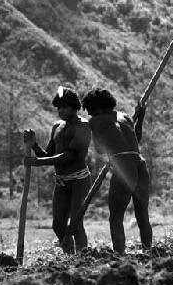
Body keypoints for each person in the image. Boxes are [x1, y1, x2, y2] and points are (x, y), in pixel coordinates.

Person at [81, 88, 152, 254]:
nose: (89, 114)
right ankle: (148, 253)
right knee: (142, 216)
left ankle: (119, 257)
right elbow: (137, 138)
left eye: (90, 110)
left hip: (123, 165)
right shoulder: (126, 117)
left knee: (115, 218)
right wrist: (140, 116)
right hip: (140, 164)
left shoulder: (95, 121)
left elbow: (99, 149)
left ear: (98, 108)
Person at [23, 86, 92, 254]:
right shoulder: (57, 127)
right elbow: (49, 154)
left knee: (75, 224)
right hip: (61, 181)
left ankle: (83, 259)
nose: (61, 111)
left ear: (74, 107)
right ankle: (69, 256)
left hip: (79, 180)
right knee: (58, 225)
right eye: (59, 107)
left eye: (65, 107)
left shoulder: (83, 127)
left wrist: (37, 162)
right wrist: (34, 145)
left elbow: (70, 156)